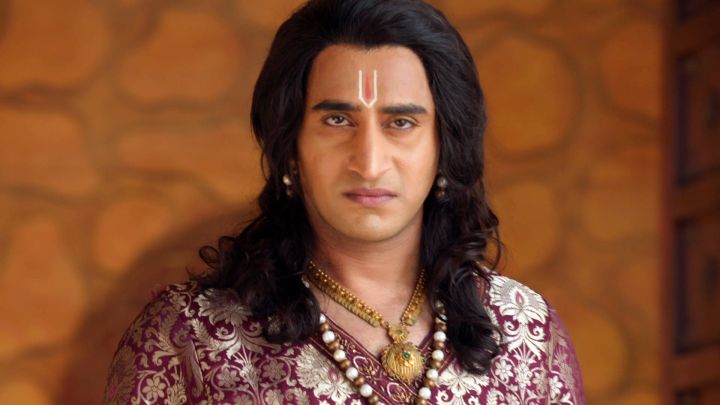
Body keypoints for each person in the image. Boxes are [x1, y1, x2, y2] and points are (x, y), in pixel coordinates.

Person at [103, 0, 585, 403]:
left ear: (445, 145)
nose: (369, 163)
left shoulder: (525, 332)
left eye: (401, 123)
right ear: (289, 145)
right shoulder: (192, 339)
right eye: (337, 121)